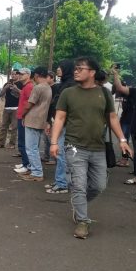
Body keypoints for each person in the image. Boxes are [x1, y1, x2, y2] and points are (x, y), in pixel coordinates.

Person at [50, 56, 132, 239]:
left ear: (92, 72)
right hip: (74, 146)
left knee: (99, 186)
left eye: (80, 68)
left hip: (98, 148)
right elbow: (60, 118)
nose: (76, 71)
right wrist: (54, 142)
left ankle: (79, 205)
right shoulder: (68, 93)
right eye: (76, 68)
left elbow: (112, 118)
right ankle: (82, 221)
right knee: (79, 185)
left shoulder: (103, 94)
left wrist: (123, 139)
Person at [44, 59, 75, 194]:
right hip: (59, 122)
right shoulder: (63, 84)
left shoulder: (70, 86)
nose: (57, 69)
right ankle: (59, 180)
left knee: (61, 153)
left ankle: (62, 183)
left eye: (60, 67)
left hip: (66, 124)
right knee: (59, 153)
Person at [18, 67, 52, 182]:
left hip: (32, 119)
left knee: (31, 148)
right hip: (41, 119)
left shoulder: (38, 88)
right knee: (34, 148)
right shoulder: (48, 87)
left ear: (36, 75)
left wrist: (23, 115)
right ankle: (35, 170)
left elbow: (29, 104)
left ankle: (37, 172)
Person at [13, 68, 33, 173]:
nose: (19, 75)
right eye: (19, 74)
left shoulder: (29, 86)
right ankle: (25, 163)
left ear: (28, 75)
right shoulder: (26, 86)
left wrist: (24, 115)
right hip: (22, 116)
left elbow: (30, 103)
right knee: (22, 142)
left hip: (24, 117)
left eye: (22, 74)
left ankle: (27, 165)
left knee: (23, 142)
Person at [0, 70, 21, 149]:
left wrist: (16, 89)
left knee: (14, 127)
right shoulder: (6, 84)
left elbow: (22, 95)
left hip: (16, 108)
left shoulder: (20, 84)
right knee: (3, 126)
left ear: (18, 75)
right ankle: (1, 143)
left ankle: (12, 144)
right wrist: (5, 88)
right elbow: (1, 94)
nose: (13, 76)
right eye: (12, 74)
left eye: (15, 74)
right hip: (6, 108)